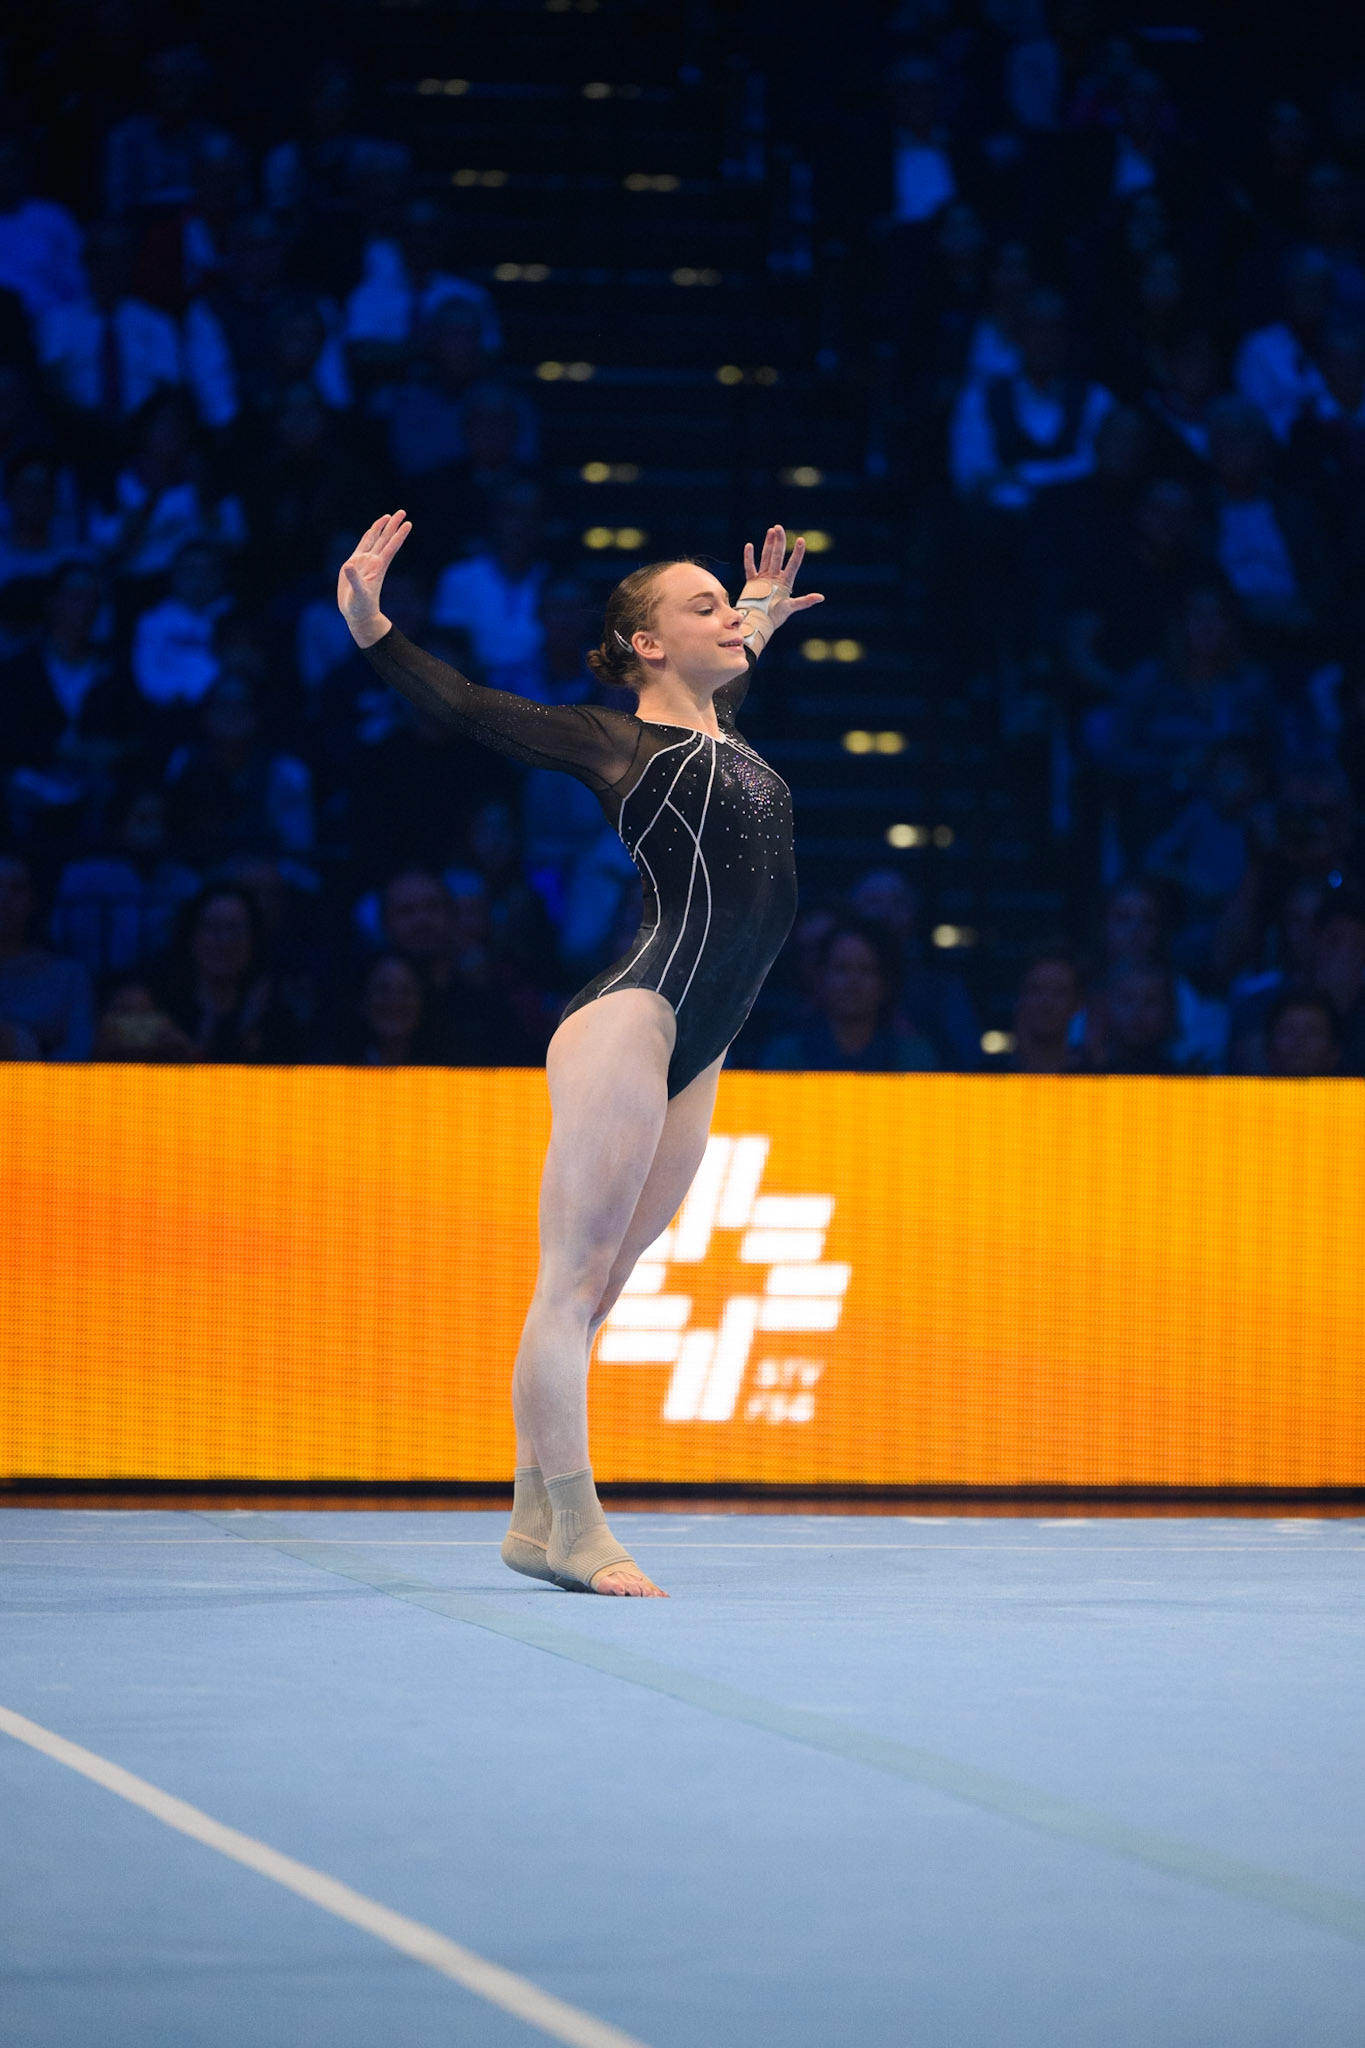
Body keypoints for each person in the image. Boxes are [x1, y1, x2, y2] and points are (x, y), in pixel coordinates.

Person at [337, 509, 822, 1596]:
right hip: (634, 1015)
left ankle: (528, 1516)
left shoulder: (722, 731)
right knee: (568, 1284)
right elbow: (470, 707)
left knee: (604, 1288)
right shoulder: (621, 744)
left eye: (725, 604)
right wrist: (374, 628)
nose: (728, 615)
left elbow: (721, 687)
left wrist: (751, 622)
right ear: (646, 645)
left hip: (705, 1040)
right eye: (700, 606)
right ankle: (584, 1528)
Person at [758, 917, 938, 1072]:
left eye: (866, 969)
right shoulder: (785, 1054)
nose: (852, 982)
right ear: (821, 976)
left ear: (886, 982)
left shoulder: (914, 1055)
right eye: (841, 968)